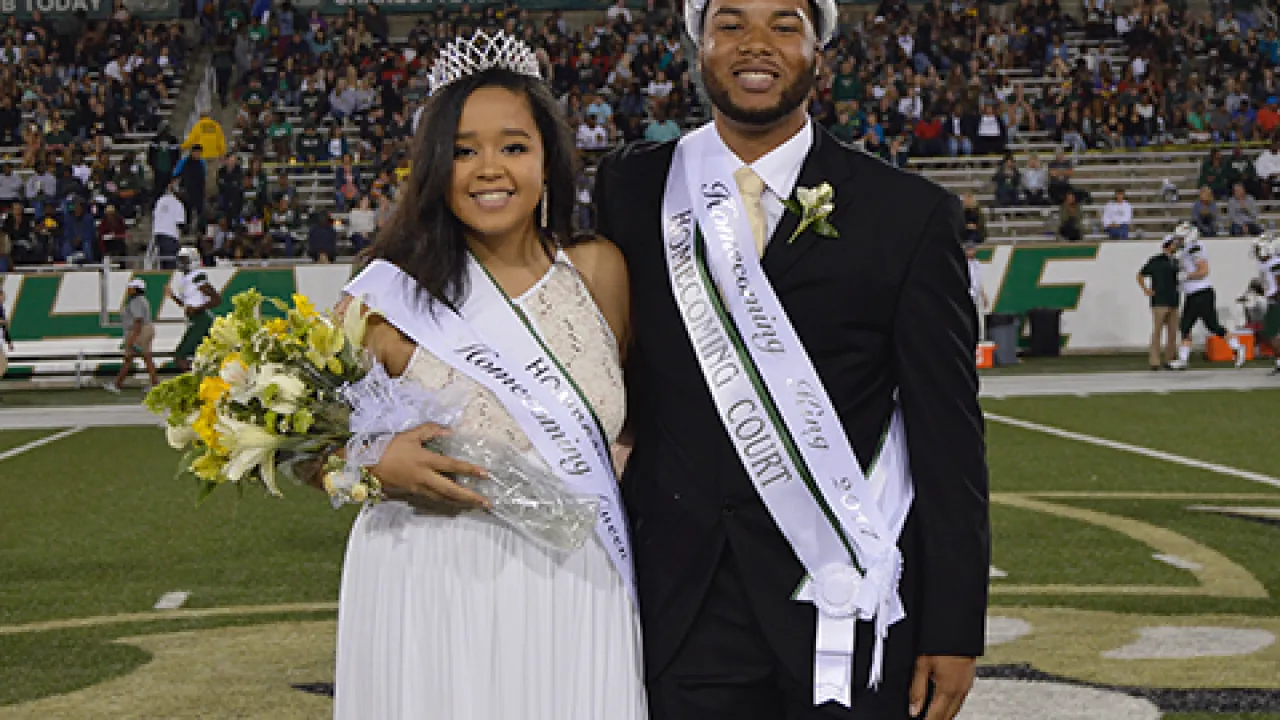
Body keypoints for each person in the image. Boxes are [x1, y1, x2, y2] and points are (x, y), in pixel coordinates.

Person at [594, 0, 989, 716]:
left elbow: (948, 436)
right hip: (680, 604)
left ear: (820, 51)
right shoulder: (630, 189)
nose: (756, 45)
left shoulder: (908, 212)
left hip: (846, 599)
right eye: (730, 23)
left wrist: (955, 626)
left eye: (784, 25)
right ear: (698, 45)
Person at [327, 33, 645, 719]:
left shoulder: (599, 272)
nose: (488, 169)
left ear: (548, 160)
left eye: (513, 146)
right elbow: (315, 446)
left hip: (576, 576)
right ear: (433, 165)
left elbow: (630, 425)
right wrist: (374, 465)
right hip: (430, 578)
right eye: (463, 150)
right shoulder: (384, 293)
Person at [1167, 223, 1246, 370]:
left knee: (1192, 326)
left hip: (1200, 292)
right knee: (1204, 326)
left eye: (1180, 238)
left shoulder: (1195, 249)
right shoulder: (1187, 249)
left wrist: (1186, 276)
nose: (1178, 241)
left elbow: (1204, 271)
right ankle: (1237, 347)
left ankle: (1184, 359)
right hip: (1195, 293)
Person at [168, 247, 221, 372]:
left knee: (180, 355)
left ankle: (193, 383)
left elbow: (216, 299)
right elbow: (188, 305)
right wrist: (173, 297)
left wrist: (198, 308)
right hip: (196, 319)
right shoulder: (186, 279)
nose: (181, 262)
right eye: (181, 259)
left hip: (201, 320)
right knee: (205, 357)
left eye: (185, 259)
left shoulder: (197, 276)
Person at [104, 278, 159, 392]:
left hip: (139, 331)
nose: (129, 289)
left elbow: (138, 320)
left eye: (131, 287)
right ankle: (154, 383)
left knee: (135, 358)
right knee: (143, 357)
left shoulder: (136, 302)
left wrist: (132, 338)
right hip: (142, 330)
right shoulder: (140, 300)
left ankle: (117, 384)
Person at [1137, 236, 1181, 370]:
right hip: (1159, 301)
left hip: (1173, 299)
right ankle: (1154, 361)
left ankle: (1170, 359)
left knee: (1172, 332)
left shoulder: (1176, 262)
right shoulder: (1156, 260)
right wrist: (1146, 289)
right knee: (1157, 331)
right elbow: (1140, 274)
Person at [1250, 234, 1280, 374]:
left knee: (1271, 332)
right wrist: (1259, 289)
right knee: (1269, 333)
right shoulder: (1266, 264)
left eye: (1257, 249)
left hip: (1276, 302)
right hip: (1272, 301)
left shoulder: (1275, 263)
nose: (1255, 252)